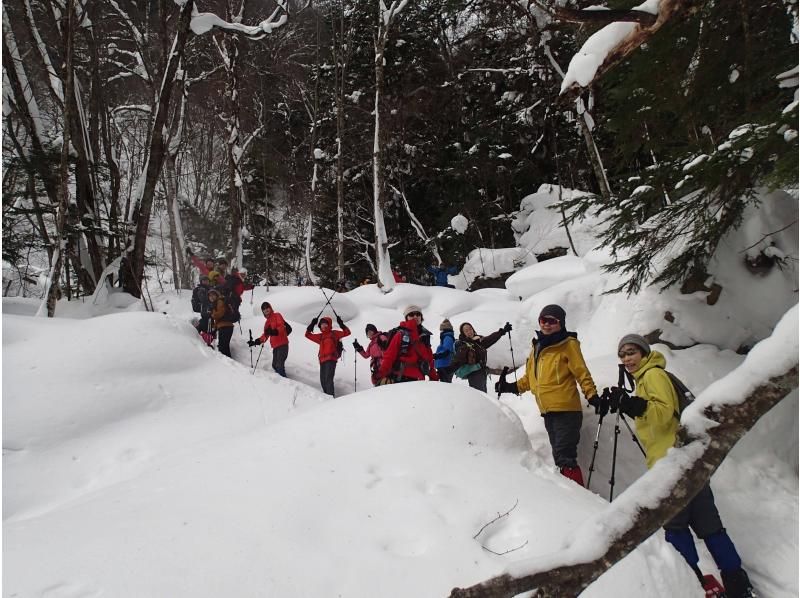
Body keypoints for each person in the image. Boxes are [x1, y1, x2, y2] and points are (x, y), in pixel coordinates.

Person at [608, 334, 756, 598]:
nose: (627, 359)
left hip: (672, 466)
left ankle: (695, 585)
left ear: (643, 353)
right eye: (622, 354)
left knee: (675, 529)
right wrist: (632, 402)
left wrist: (633, 404)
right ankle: (738, 585)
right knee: (711, 527)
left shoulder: (653, 375)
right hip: (686, 461)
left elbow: (663, 415)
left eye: (631, 352)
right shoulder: (646, 378)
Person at [495, 304, 598, 486]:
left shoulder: (568, 345)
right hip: (548, 411)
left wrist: (592, 395)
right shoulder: (538, 347)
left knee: (565, 457)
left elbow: (581, 372)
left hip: (566, 409)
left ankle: (579, 499)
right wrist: (510, 387)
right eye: (543, 320)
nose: (546, 325)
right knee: (559, 456)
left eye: (552, 321)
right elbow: (530, 379)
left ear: (561, 323)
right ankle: (572, 495)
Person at [376, 305, 439, 383]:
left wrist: (434, 378)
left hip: (420, 380)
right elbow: (389, 356)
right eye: (411, 314)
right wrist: (380, 375)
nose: (415, 316)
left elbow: (429, 360)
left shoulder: (425, 336)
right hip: (401, 379)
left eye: (418, 314)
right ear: (406, 318)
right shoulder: (401, 334)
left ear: (421, 317)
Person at [452, 321, 511, 392]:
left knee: (483, 394)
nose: (469, 331)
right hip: (474, 374)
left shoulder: (478, 341)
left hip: (482, 372)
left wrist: (502, 331)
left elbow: (490, 339)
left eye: (470, 329)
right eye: (466, 331)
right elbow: (458, 359)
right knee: (479, 394)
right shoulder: (463, 345)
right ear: (463, 333)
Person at [305, 314, 351, 396]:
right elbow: (307, 335)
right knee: (323, 380)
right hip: (322, 361)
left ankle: (330, 399)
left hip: (331, 359)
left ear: (329, 324)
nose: (323, 325)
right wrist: (312, 324)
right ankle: (327, 398)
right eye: (322, 324)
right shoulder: (320, 336)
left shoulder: (334, 333)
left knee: (328, 379)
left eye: (325, 324)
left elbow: (347, 332)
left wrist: (341, 324)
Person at [248, 302, 290, 377]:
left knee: (279, 365)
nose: (266, 309)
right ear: (263, 311)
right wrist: (256, 342)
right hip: (275, 346)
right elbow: (265, 335)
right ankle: (281, 379)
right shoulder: (267, 323)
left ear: (270, 308)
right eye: (264, 309)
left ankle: (284, 383)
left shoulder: (277, 315)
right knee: (274, 365)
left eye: (267, 307)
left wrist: (274, 331)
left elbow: (281, 327)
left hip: (283, 344)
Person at [208, 288, 235, 358]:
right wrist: (215, 328)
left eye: (213, 295)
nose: (211, 297)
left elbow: (221, 313)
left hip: (225, 327)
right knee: (224, 347)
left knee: (223, 347)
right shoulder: (215, 304)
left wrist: (212, 315)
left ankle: (230, 365)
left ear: (216, 295)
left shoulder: (219, 301)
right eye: (210, 296)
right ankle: (231, 364)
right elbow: (217, 319)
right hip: (225, 326)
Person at [191, 275, 214, 344]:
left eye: (207, 280)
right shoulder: (201, 289)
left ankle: (197, 330)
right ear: (201, 281)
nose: (206, 282)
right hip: (206, 310)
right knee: (208, 325)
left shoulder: (209, 288)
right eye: (204, 280)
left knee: (207, 324)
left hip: (208, 310)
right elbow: (204, 300)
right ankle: (207, 341)